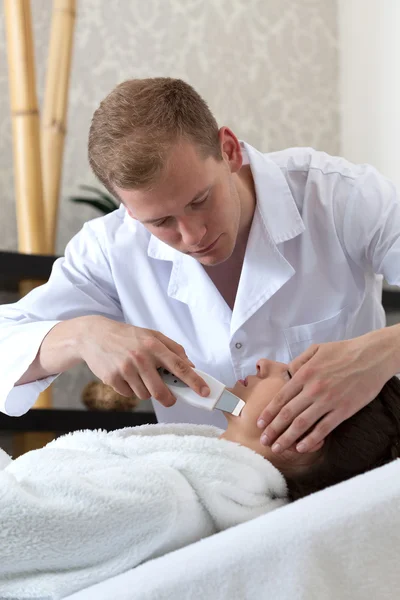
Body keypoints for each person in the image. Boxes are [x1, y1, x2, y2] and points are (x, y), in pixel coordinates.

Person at [1, 77, 400, 453]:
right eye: (160, 222)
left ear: (228, 150)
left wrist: (383, 351)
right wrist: (81, 336)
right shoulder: (110, 248)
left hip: (356, 483)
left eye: (199, 200)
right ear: (128, 208)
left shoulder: (338, 196)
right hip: (213, 502)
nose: (192, 236)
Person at [1, 357, 400, 597]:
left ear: (303, 435)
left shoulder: (162, 500)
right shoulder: (198, 489)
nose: (265, 364)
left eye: (289, 374)